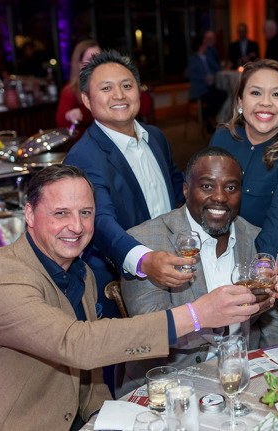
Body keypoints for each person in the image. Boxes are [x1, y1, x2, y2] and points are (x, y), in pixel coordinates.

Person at [0, 165, 261, 430]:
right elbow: (78, 345)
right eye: (60, 213)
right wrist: (196, 313)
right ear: (29, 214)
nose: (76, 226)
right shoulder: (1, 275)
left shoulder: (81, 272)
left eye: (86, 213)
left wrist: (109, 417)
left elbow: (90, 374)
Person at [117, 147, 278, 396]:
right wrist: (223, 317)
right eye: (207, 186)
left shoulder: (256, 240)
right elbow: (149, 328)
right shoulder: (145, 243)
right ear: (186, 190)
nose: (220, 197)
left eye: (231, 188)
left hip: (245, 376)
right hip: (170, 383)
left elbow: (274, 321)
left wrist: (269, 369)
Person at [64, 50, 191, 323]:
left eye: (126, 85)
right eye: (106, 88)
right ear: (87, 99)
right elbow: (100, 221)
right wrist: (144, 260)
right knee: (130, 361)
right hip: (117, 282)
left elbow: (176, 185)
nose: (119, 95)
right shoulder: (84, 156)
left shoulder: (155, 137)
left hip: (170, 270)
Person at [209, 59, 278, 257]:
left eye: (277, 94)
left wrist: (263, 267)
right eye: (256, 92)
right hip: (214, 249)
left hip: (258, 256)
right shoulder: (222, 138)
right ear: (240, 102)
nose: (266, 102)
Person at [56, 40, 101, 130]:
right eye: (90, 59)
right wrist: (69, 115)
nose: (96, 63)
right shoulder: (70, 90)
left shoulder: (107, 85)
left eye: (99, 58)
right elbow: (60, 121)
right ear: (79, 63)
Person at [188, 32, 227, 133]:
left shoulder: (206, 57)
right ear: (200, 46)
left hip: (209, 86)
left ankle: (206, 116)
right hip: (200, 88)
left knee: (223, 95)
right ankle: (207, 118)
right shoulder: (194, 59)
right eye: (205, 44)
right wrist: (205, 78)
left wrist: (212, 76)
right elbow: (191, 75)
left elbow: (217, 68)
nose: (207, 46)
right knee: (213, 98)